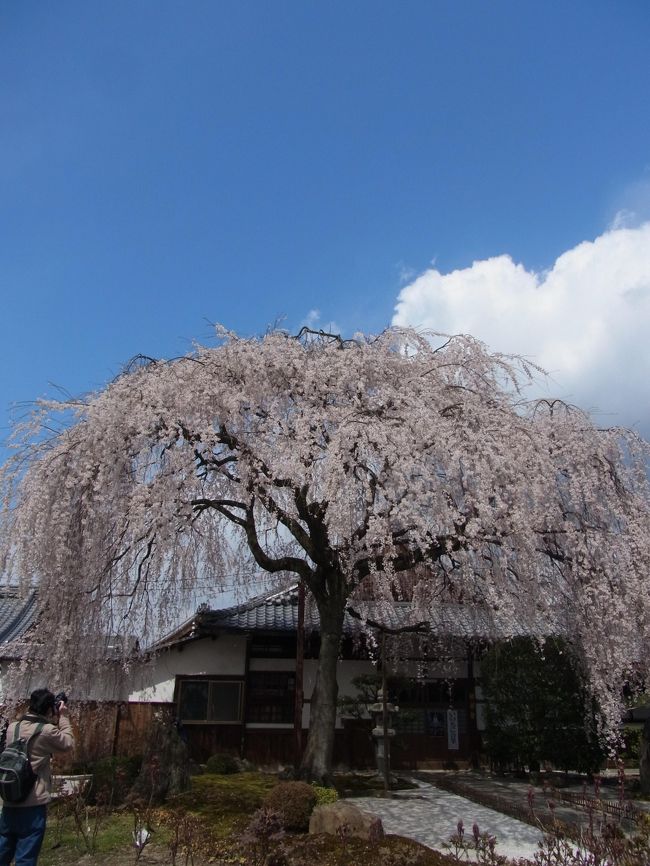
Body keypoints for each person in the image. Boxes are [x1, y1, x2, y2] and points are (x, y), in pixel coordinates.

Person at [0, 689, 75, 866]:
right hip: (32, 802)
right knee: (26, 857)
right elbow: (68, 743)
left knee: (3, 850)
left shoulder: (13, 727)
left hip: (10, 798)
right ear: (50, 708)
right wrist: (62, 716)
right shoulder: (46, 731)